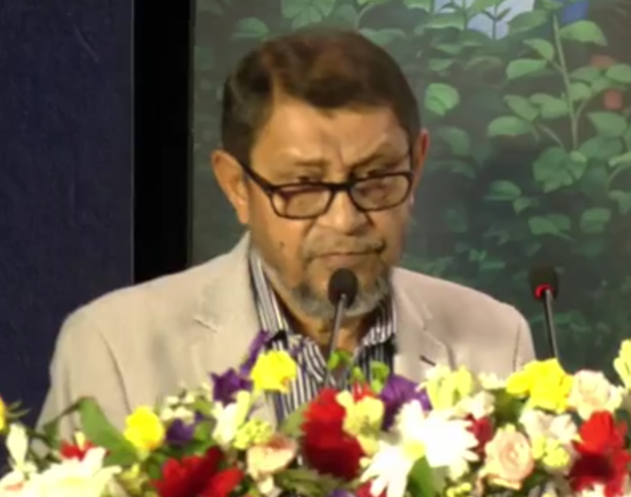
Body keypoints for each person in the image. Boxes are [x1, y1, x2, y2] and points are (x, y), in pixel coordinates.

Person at [37, 27, 536, 436]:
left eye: (377, 178)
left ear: (417, 164)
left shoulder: (497, 340)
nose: (345, 220)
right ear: (237, 187)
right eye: (304, 186)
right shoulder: (114, 348)